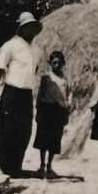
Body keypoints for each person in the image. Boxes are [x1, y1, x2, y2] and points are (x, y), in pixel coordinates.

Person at [0, 11, 42, 176]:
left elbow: (35, 70)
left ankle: (15, 166)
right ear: (21, 29)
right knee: (6, 129)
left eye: (33, 27)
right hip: (11, 92)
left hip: (26, 94)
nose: (31, 31)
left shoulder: (35, 50)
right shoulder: (10, 45)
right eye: (28, 27)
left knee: (24, 130)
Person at [33, 49, 70, 178]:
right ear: (50, 63)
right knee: (43, 139)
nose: (56, 65)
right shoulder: (46, 78)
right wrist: (38, 111)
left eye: (59, 63)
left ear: (63, 64)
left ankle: (49, 166)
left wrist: (66, 114)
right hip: (46, 110)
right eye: (54, 63)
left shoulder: (65, 80)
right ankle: (42, 165)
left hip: (58, 112)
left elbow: (67, 98)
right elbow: (40, 95)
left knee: (54, 140)